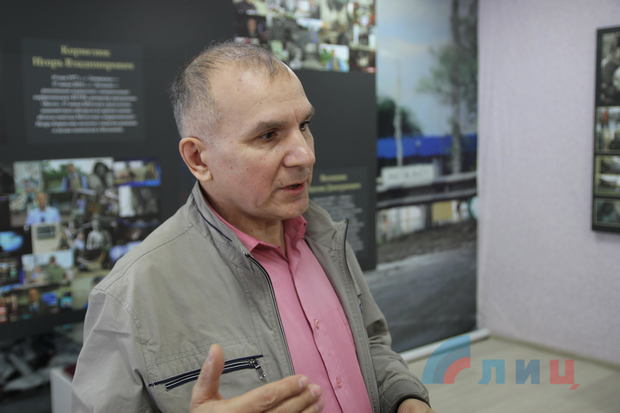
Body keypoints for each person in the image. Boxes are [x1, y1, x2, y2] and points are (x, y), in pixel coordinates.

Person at [72, 42, 432, 413]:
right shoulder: (132, 294)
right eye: (268, 135)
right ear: (198, 158)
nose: (305, 155)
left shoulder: (325, 236)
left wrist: (404, 398)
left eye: (304, 126)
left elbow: (370, 343)